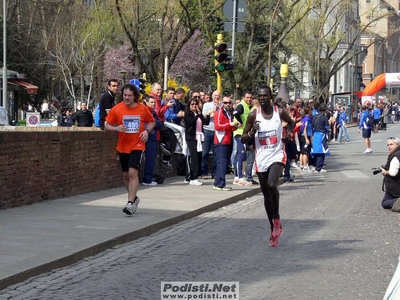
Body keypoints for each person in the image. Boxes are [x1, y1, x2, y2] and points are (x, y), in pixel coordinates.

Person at [240, 85, 294, 247]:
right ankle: (273, 227)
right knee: (266, 195)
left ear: (270, 96)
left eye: (265, 96)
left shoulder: (279, 112)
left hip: (277, 155)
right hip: (261, 158)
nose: (262, 99)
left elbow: (291, 123)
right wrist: (251, 133)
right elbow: (243, 138)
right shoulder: (253, 115)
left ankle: (276, 218)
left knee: (272, 185)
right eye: (260, 96)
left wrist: (288, 134)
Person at [105, 84, 155, 216]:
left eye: (129, 96)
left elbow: (152, 122)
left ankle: (130, 203)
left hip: (138, 144)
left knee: (133, 173)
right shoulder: (117, 109)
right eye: (125, 95)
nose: (126, 98)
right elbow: (106, 125)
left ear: (135, 96)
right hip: (122, 145)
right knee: (126, 175)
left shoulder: (142, 109)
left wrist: (146, 131)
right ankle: (133, 198)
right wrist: (116, 128)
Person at [213, 97, 238, 191]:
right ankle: (219, 183)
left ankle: (219, 182)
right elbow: (218, 126)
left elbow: (228, 127)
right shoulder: (220, 112)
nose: (227, 104)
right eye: (225, 102)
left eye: (229, 102)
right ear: (222, 103)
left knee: (223, 162)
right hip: (221, 141)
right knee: (222, 162)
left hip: (227, 140)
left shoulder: (228, 113)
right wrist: (230, 125)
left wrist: (234, 126)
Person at [184, 98, 210, 186]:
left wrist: (208, 115)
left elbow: (205, 122)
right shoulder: (188, 113)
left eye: (195, 104)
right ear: (189, 105)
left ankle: (195, 176)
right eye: (192, 104)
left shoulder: (198, 114)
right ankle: (192, 178)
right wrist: (198, 115)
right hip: (191, 137)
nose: (194, 106)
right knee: (194, 157)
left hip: (199, 137)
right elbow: (191, 122)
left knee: (199, 157)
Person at [232, 91, 253, 186]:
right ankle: (240, 177)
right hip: (240, 134)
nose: (249, 99)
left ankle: (237, 177)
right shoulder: (241, 105)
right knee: (241, 154)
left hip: (243, 134)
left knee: (239, 155)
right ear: (243, 97)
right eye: (247, 97)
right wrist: (240, 122)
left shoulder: (247, 107)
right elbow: (235, 113)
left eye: (250, 98)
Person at [201, 90, 221, 179]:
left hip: (217, 131)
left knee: (216, 154)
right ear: (212, 96)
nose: (217, 97)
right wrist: (211, 113)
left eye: (218, 96)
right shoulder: (207, 105)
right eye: (215, 95)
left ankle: (215, 173)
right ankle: (203, 172)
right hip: (207, 130)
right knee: (204, 153)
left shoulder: (222, 106)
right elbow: (203, 116)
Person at [380, 137, 400, 212]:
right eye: (388, 145)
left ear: (398, 144)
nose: (389, 147)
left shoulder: (396, 156)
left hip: (396, 187)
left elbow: (392, 173)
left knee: (385, 203)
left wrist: (384, 172)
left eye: (391, 144)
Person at [311, 103, 330, 172]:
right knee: (321, 151)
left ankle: (316, 165)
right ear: (325, 109)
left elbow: (312, 125)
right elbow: (327, 127)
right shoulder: (324, 117)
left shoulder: (315, 116)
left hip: (315, 134)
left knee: (316, 150)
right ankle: (319, 167)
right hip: (322, 134)